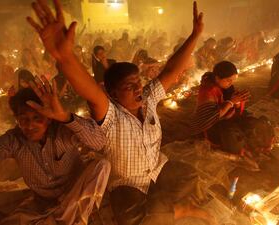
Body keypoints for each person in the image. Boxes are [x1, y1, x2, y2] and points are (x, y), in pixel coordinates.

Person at [27, 1, 210, 224]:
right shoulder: (111, 115)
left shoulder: (149, 99)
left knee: (189, 176)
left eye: (138, 82)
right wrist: (65, 57)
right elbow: (90, 90)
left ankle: (160, 208)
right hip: (127, 183)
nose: (137, 88)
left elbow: (171, 70)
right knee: (130, 218)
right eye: (128, 86)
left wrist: (195, 35)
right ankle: (176, 210)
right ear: (113, 93)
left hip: (156, 169)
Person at [0, 78, 110, 225]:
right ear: (17, 120)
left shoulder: (62, 131)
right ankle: (62, 217)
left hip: (76, 195)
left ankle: (60, 217)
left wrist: (66, 117)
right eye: (24, 119)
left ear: (49, 117)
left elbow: (99, 143)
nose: (30, 125)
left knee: (102, 165)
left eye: (37, 118)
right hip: (43, 204)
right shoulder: (13, 141)